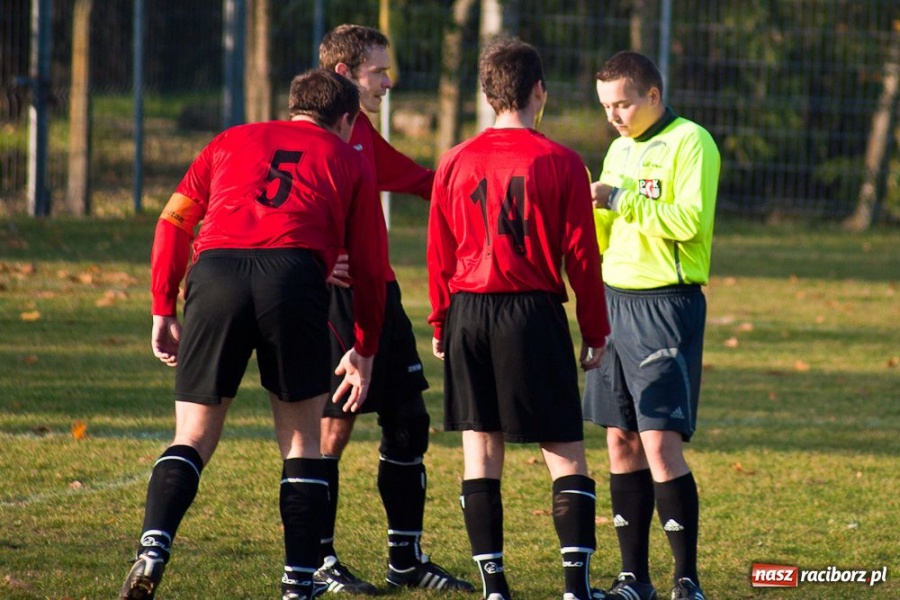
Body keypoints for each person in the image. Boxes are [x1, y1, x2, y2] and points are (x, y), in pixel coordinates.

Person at [118, 68, 389, 600]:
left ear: (292, 107)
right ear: (346, 119)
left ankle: (152, 548)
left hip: (215, 273)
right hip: (290, 279)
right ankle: (296, 584)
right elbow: (371, 266)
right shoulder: (349, 159)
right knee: (302, 441)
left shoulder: (229, 140)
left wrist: (161, 304)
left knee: (192, 435)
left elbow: (174, 220)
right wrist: (366, 345)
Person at [427, 38, 611, 600]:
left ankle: (495, 588)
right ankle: (576, 589)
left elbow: (439, 250)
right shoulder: (562, 163)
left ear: (486, 94)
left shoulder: (454, 159)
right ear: (539, 91)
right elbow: (582, 257)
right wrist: (596, 330)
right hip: (531, 312)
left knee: (481, 450)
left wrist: (440, 322)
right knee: (563, 449)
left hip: (468, 311)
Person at [314, 24, 474, 595]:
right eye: (379, 70)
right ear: (344, 75)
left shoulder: (360, 133)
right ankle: (318, 562)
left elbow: (424, 182)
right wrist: (318, 258)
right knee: (331, 430)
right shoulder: (314, 136)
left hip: (380, 293)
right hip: (333, 301)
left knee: (408, 420)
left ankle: (404, 560)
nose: (389, 80)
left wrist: (493, 179)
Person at [582, 51, 720, 600]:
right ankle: (632, 578)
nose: (614, 116)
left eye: (622, 104)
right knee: (619, 440)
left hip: (666, 303)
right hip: (615, 305)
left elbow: (688, 221)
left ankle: (686, 579)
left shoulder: (691, 142)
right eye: (606, 106)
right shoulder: (618, 149)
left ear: (652, 96)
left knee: (659, 442)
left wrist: (616, 198)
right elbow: (604, 233)